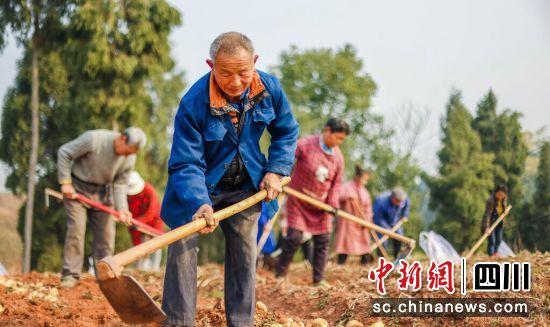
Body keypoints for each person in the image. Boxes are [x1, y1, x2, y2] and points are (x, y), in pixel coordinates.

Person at [160, 32, 299, 327]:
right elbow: (186, 162)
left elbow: (286, 131)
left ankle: (240, 323)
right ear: (211, 65)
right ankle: (178, 322)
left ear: (255, 63)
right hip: (198, 189)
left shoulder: (269, 89)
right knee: (182, 250)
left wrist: (276, 170)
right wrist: (199, 202)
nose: (235, 82)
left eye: (243, 73)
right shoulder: (194, 102)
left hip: (245, 187)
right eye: (225, 73)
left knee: (245, 257)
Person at [57, 127, 146, 288]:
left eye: (131, 153)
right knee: (76, 231)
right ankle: (70, 275)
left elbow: (119, 183)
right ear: (122, 139)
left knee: (106, 237)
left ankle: (105, 278)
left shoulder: (130, 157)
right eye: (127, 152)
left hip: (103, 194)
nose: (127, 156)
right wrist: (65, 182)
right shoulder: (93, 139)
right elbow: (64, 152)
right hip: (77, 190)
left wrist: (122, 209)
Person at [276, 118, 349, 286]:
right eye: (337, 137)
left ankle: (318, 279)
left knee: (323, 241)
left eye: (342, 140)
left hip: (321, 205)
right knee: (294, 238)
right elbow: (286, 157)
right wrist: (279, 176)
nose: (339, 142)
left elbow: (336, 183)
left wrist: (332, 204)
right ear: (327, 131)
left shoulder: (338, 158)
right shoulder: (306, 144)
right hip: (298, 200)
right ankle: (280, 274)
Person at [334, 165, 374, 265]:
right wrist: (347, 197)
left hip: (361, 223)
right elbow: (336, 198)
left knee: (365, 244)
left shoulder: (365, 192)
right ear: (358, 177)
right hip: (348, 223)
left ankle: (365, 265)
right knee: (344, 245)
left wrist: (367, 220)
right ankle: (340, 265)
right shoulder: (346, 187)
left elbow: (368, 209)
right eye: (364, 177)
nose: (366, 180)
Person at [126, 171, 164, 271]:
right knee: (138, 244)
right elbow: (128, 211)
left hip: (153, 221)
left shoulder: (149, 191)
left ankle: (154, 268)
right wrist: (131, 222)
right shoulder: (127, 196)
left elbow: (151, 212)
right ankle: (139, 267)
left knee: (156, 242)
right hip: (136, 222)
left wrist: (138, 221)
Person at [372, 187, 410, 258]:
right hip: (382, 222)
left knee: (399, 237)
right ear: (392, 198)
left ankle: (397, 256)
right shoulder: (381, 202)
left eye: (401, 201)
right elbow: (378, 218)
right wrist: (387, 228)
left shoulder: (403, 199)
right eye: (398, 201)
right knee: (383, 240)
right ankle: (381, 258)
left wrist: (405, 215)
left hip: (395, 221)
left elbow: (407, 204)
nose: (400, 203)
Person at [481, 184, 508, 257]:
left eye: (502, 195)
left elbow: (503, 209)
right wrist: (486, 227)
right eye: (499, 195)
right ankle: (491, 255)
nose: (500, 197)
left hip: (499, 222)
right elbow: (488, 214)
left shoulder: (504, 200)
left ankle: (496, 253)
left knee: (499, 239)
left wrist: (505, 212)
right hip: (490, 222)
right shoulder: (491, 200)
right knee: (492, 240)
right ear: (496, 193)